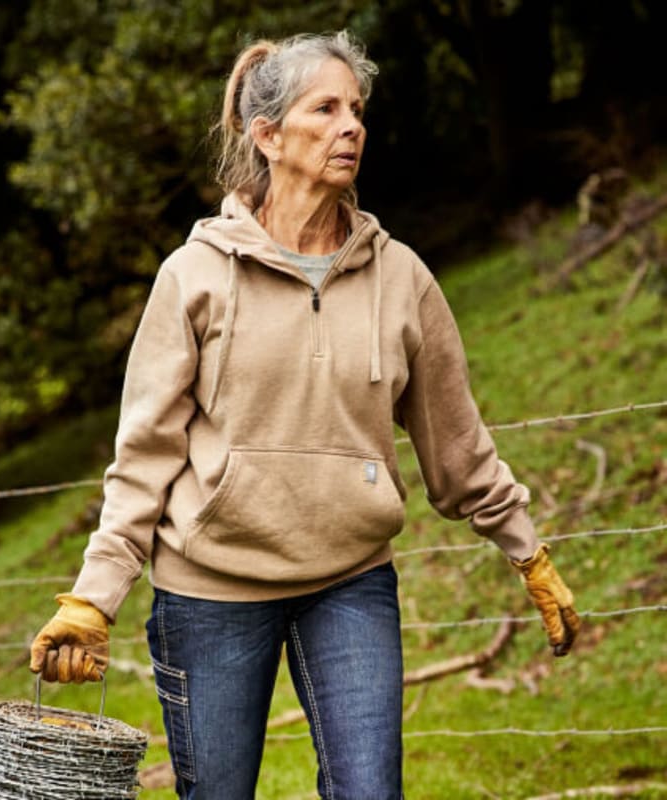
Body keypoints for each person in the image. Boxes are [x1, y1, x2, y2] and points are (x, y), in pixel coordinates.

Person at [30, 30, 580, 800]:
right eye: (325, 109)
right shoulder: (193, 277)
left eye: (356, 109)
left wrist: (527, 552)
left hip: (350, 581)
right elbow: (144, 456)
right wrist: (95, 594)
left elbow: (458, 450)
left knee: (369, 792)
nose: (351, 125)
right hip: (211, 588)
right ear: (268, 136)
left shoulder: (403, 279)